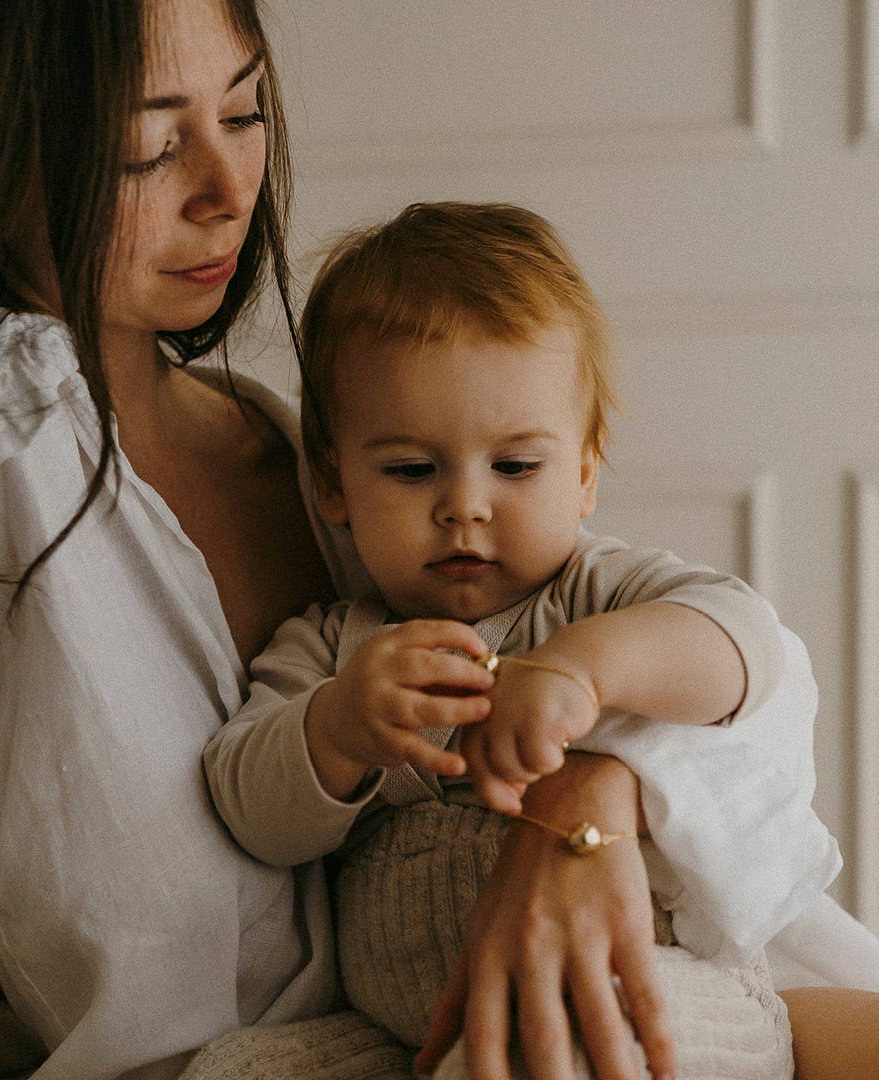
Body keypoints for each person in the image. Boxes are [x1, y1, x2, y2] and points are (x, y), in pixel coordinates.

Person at [0, 3, 870, 1080]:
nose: (227, 192)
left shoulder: (298, 441)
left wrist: (590, 798)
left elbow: (755, 678)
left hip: (629, 996)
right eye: (149, 146)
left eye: (245, 108)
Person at [202, 201, 867, 1077]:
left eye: (516, 466)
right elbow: (247, 807)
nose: (465, 504)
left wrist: (584, 669)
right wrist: (334, 732)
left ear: (586, 472)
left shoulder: (601, 592)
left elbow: (744, 642)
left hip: (645, 990)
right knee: (229, 1069)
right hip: (409, 1029)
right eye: (410, 469)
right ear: (333, 481)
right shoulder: (334, 648)